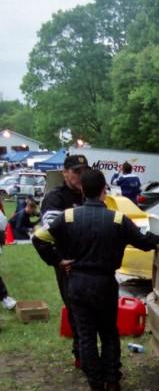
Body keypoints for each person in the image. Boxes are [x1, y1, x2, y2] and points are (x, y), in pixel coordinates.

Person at [33, 167, 159, 391]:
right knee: (108, 333)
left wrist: (58, 261)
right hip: (105, 284)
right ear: (104, 190)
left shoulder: (68, 216)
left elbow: (38, 238)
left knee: (85, 334)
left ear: (83, 190)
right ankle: (112, 380)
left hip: (77, 283)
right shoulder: (117, 219)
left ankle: (95, 384)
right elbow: (145, 242)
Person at [33, 154, 87, 365]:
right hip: (68, 263)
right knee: (75, 309)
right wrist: (57, 260)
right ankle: (80, 354)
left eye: (84, 172)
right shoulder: (55, 198)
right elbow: (46, 236)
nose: (80, 176)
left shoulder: (90, 194)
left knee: (91, 309)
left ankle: (87, 350)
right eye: (76, 172)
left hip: (89, 260)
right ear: (65, 173)